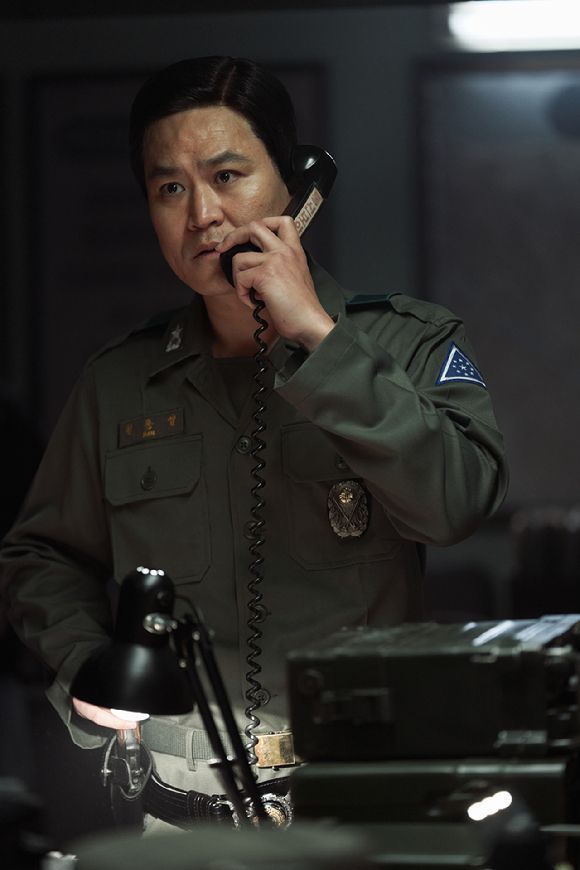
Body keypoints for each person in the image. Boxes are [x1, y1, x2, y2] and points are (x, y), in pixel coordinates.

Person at [0, 56, 508, 830]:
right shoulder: (120, 383)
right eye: (170, 189)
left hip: (363, 808)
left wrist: (317, 337)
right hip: (179, 817)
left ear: (297, 186)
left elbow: (457, 504)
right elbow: (40, 555)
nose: (202, 214)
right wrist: (87, 662)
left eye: (227, 175)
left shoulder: (407, 343)